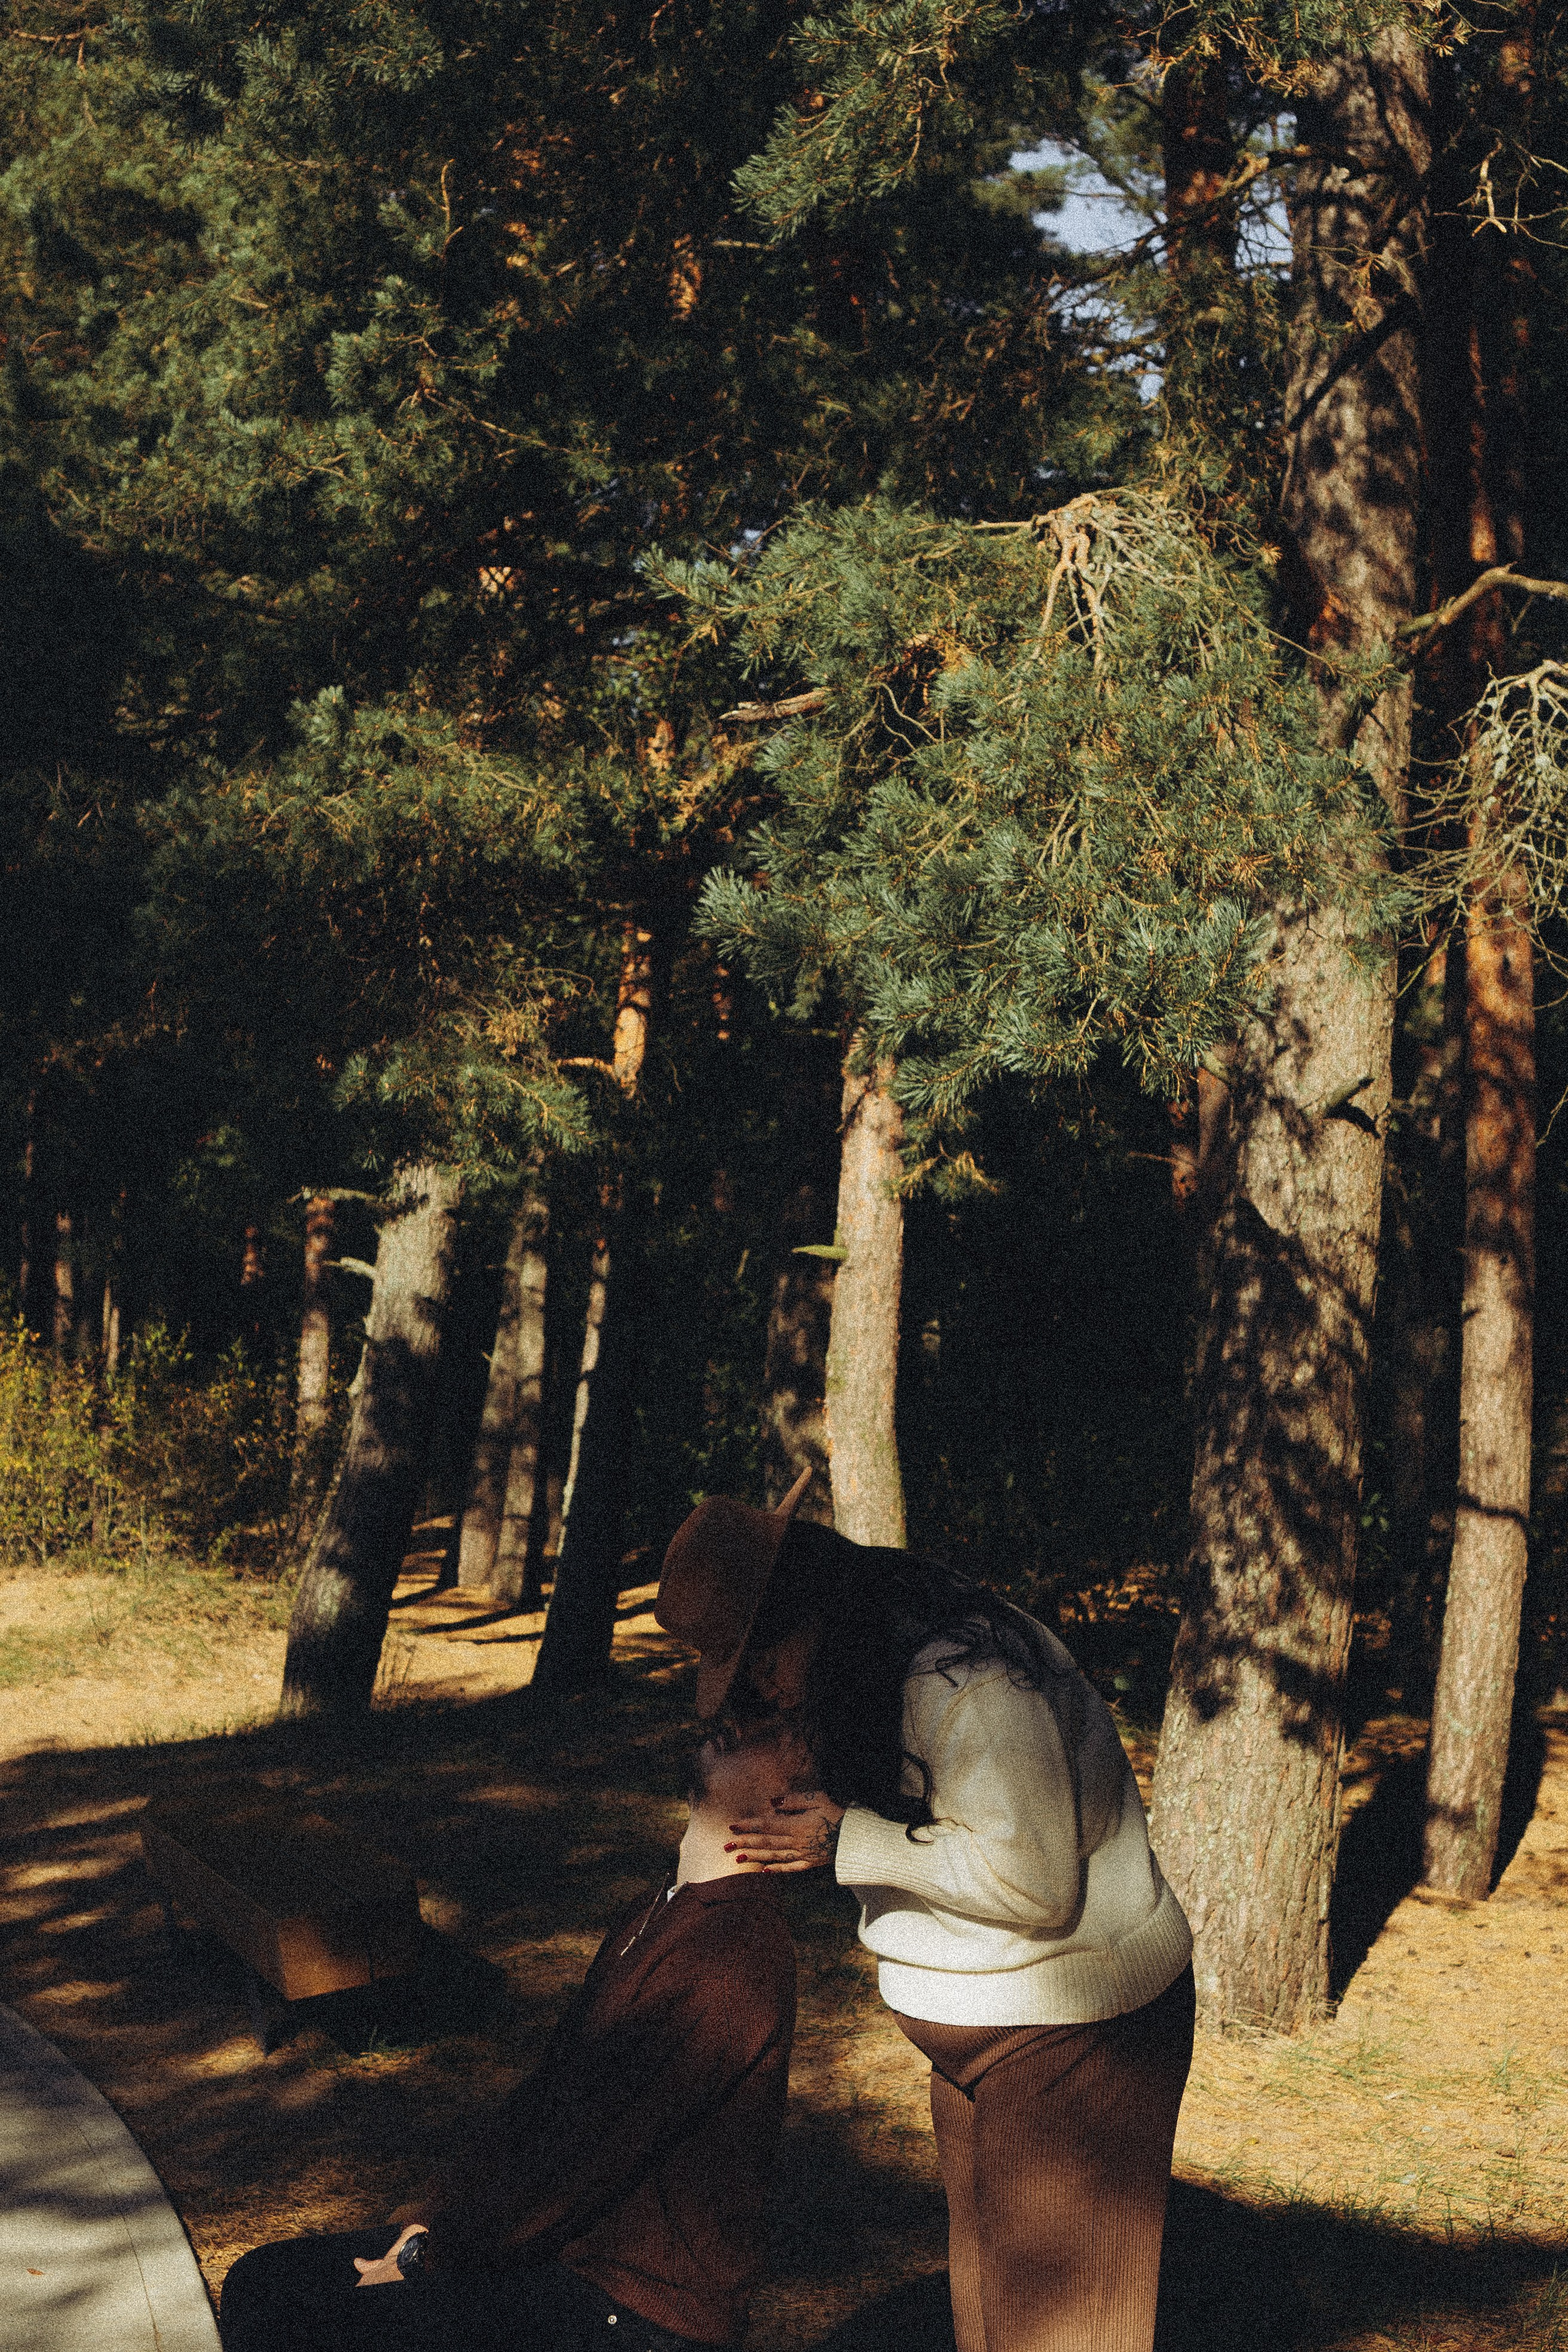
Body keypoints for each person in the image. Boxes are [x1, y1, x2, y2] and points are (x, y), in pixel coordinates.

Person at [655, 1471, 1194, 2352]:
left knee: (1065, 2333)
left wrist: (843, 1844)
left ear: (817, 1611)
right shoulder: (867, 1672)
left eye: (764, 1658)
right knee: (988, 2322)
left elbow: (1032, 1881)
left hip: (1076, 2033)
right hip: (982, 2042)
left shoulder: (967, 1681)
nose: (763, 1687)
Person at [218, 1724, 807, 2352]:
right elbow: (548, 2103)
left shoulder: (733, 1952)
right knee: (271, 2281)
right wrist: (426, 2216)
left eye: (776, 1736)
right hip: (559, 2253)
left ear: (788, 1807)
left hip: (634, 2312)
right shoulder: (665, 1905)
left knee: (289, 2303)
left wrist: (430, 2253)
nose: (741, 1724)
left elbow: (585, 2152)